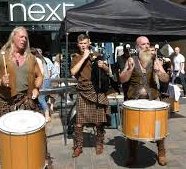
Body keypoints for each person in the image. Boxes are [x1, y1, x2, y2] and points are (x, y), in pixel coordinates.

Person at [0, 26, 43, 140]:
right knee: (8, 140)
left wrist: (36, 87)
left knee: (30, 137)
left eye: (26, 38)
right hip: (6, 102)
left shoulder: (31, 58)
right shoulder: (1, 56)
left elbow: (40, 76)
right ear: (13, 37)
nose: (24, 40)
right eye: (21, 37)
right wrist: (0, 81)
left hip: (27, 101)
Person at [119, 36, 169, 166]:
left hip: (152, 99)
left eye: (148, 44)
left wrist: (159, 72)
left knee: (158, 127)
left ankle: (161, 152)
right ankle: (132, 155)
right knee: (133, 128)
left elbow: (165, 79)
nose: (146, 46)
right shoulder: (131, 60)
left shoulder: (155, 60)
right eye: (143, 44)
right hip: (134, 99)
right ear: (137, 47)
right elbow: (122, 79)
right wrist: (129, 70)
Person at [70, 34, 110, 158]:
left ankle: (99, 143)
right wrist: (84, 57)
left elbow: (109, 72)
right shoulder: (76, 58)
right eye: (81, 43)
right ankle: (78, 146)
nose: (83, 45)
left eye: (85, 43)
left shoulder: (97, 56)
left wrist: (103, 66)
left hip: (96, 91)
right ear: (78, 45)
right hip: (82, 91)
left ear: (89, 43)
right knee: (79, 123)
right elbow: (73, 72)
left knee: (98, 122)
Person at [31, 47, 52, 122]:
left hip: (43, 80)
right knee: (43, 98)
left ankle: (47, 116)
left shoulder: (37, 60)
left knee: (41, 98)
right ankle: (46, 113)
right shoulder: (42, 59)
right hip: (47, 80)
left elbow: (41, 73)